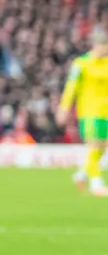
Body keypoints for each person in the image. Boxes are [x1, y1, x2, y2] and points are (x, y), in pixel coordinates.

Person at [56, 26, 108, 196]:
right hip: (89, 111)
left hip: (105, 112)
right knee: (94, 144)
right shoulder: (81, 63)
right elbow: (71, 87)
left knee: (101, 147)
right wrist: (64, 108)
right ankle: (96, 182)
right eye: (104, 45)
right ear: (96, 45)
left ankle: (81, 174)